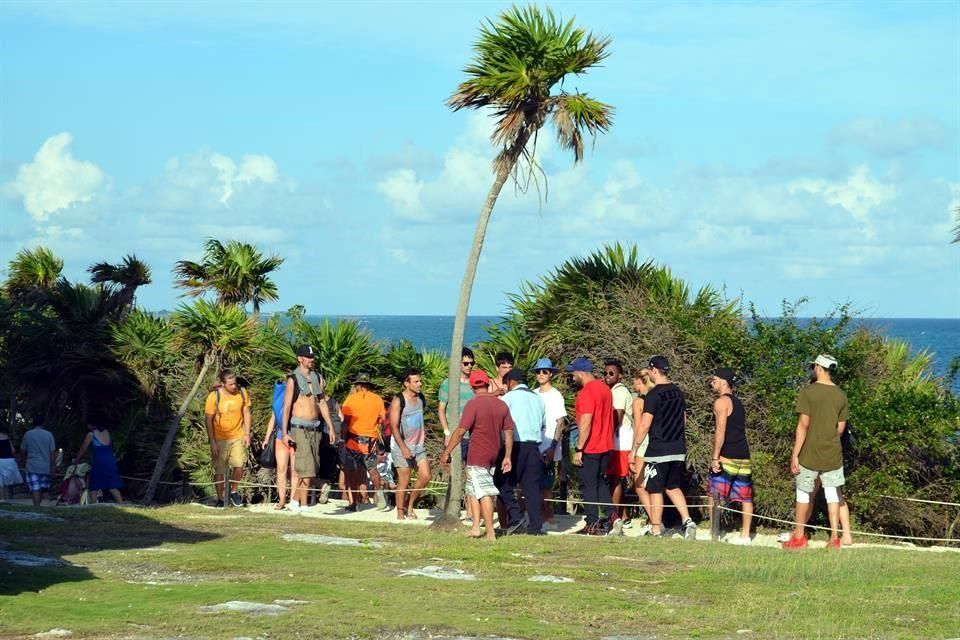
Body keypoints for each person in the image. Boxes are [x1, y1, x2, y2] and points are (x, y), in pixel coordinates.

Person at [783, 354, 850, 550]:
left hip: (809, 452)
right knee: (833, 495)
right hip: (833, 453)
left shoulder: (808, 392)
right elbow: (840, 429)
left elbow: (803, 425)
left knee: (803, 494)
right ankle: (834, 538)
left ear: (819, 368)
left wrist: (795, 454)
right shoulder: (841, 395)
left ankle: (799, 537)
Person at [440, 369, 515, 541]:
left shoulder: (473, 404)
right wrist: (507, 456)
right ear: (488, 384)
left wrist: (446, 452)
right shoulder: (501, 405)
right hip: (495, 453)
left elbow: (460, 431)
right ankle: (475, 527)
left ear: (472, 387)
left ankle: (490, 532)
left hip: (478, 454)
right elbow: (509, 432)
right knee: (473, 488)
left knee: (483, 492)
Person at [632, 356, 698, 539]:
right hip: (678, 448)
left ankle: (656, 528)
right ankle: (688, 521)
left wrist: (634, 449)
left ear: (654, 370)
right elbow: (684, 420)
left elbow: (645, 425)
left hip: (658, 449)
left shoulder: (653, 395)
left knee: (655, 489)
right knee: (673, 487)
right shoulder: (678, 392)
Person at [566, 357, 618, 536]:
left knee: (588, 485)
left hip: (591, 446)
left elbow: (586, 421)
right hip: (606, 444)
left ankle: (591, 523)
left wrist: (579, 448)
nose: (572, 376)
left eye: (573, 373)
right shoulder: (605, 389)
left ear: (580, 373)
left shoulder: (586, 392)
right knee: (600, 482)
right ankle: (613, 517)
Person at [280, 345, 335, 512]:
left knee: (313, 467)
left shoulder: (317, 377)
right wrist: (285, 433)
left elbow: (322, 402)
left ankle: (296, 502)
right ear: (300, 358)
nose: (311, 360)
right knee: (307, 469)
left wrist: (331, 427)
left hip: (315, 428)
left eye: (312, 357)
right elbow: (286, 407)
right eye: (308, 357)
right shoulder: (293, 380)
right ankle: (303, 503)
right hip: (299, 428)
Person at [708, 368, 752, 545]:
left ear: (723, 381)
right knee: (745, 497)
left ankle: (714, 532)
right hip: (744, 455)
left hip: (727, 455)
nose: (712, 383)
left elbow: (720, 431)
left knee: (715, 495)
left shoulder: (721, 402)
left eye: (714, 380)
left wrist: (715, 457)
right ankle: (746, 535)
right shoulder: (739, 403)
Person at [501, 368, 546, 535]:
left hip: (515, 446)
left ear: (511, 382)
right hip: (534, 446)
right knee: (532, 488)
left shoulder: (508, 398)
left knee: (501, 482)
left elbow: (503, 424)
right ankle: (535, 526)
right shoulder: (538, 398)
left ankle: (515, 517)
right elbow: (542, 424)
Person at [204, 369, 251, 508]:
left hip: (237, 435)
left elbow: (246, 412)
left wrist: (247, 434)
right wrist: (212, 441)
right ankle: (220, 498)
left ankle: (233, 490)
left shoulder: (241, 393)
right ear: (223, 384)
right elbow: (208, 419)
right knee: (220, 469)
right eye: (230, 384)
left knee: (239, 464)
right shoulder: (214, 396)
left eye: (235, 383)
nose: (234, 386)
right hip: (220, 437)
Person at [340, 373, 386, 512]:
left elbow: (346, 421)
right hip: (371, 439)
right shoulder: (377, 399)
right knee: (372, 468)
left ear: (358, 385)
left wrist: (342, 438)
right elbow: (382, 419)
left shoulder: (351, 399)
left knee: (352, 471)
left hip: (354, 439)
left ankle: (354, 503)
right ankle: (379, 490)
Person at [390, 368, 431, 520]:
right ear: (407, 383)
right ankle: (400, 514)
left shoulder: (421, 398)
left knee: (426, 476)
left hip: (418, 446)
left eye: (420, 381)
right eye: (416, 381)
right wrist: (403, 448)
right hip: (402, 446)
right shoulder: (398, 400)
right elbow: (394, 426)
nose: (420, 384)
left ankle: (410, 504)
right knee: (404, 481)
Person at [532, 358, 565, 531]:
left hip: (548, 447)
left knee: (545, 486)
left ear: (550, 374)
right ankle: (538, 518)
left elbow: (561, 422)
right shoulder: (533, 394)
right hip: (534, 446)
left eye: (544, 371)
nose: (541, 374)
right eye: (538, 371)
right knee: (533, 485)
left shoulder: (556, 395)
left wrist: (553, 446)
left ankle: (550, 519)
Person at [604, 359, 634, 525]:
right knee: (616, 479)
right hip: (619, 442)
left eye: (611, 373)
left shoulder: (619, 392)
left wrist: (606, 437)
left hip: (620, 443)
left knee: (615, 479)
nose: (607, 376)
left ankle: (614, 517)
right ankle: (623, 515)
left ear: (620, 375)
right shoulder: (614, 391)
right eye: (605, 373)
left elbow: (617, 416)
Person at [262, 379, 298, 510]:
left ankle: (293, 500)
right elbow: (273, 418)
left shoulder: (298, 397)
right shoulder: (279, 398)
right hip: (280, 436)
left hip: (295, 434)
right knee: (281, 469)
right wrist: (267, 438)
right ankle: (282, 499)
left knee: (295, 470)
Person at [74, 418, 124, 504]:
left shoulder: (91, 434)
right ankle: (121, 503)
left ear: (92, 424)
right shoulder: (107, 432)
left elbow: (83, 449)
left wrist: (77, 459)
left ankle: (93, 506)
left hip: (98, 462)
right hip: (110, 461)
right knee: (112, 486)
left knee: (94, 486)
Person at [629, 369, 654, 527]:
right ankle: (653, 519)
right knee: (653, 484)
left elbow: (638, 426)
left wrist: (633, 450)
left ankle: (654, 518)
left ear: (639, 382)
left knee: (639, 484)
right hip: (657, 442)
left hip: (643, 443)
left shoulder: (638, 402)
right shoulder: (656, 398)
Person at [20, 416, 55, 507]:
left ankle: (36, 507)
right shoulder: (49, 434)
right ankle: (38, 506)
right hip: (45, 466)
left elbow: (23, 450)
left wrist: (24, 461)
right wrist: (52, 466)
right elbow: (52, 452)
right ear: (43, 423)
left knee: (35, 488)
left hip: (32, 465)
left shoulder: (28, 434)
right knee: (42, 488)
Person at [0, 426, 23, 501]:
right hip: (9, 461)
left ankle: (2, 499)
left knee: (0, 482)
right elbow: (13, 450)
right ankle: (7, 499)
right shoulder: (6, 437)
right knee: (6, 482)